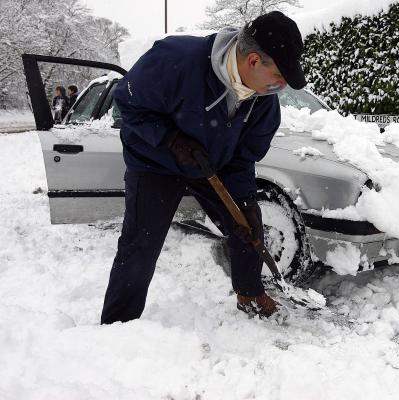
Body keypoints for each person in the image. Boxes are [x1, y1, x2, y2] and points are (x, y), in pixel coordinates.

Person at [101, 11, 306, 324]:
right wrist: (170, 139)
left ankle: (249, 292)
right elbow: (129, 105)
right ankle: (118, 323)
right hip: (155, 161)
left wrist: (245, 202)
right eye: (279, 74)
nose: (282, 84)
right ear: (253, 61)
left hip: (215, 164)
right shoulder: (176, 60)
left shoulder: (264, 102)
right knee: (141, 244)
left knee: (248, 226)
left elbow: (243, 158)